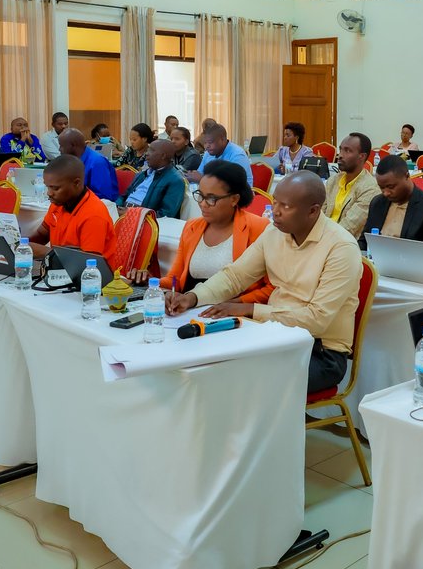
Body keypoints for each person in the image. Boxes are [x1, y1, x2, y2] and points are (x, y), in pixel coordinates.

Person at [166, 171, 361, 394]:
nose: (275, 212)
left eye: (285, 207)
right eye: (274, 202)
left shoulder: (341, 248)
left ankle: (250, 428)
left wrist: (250, 310)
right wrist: (193, 297)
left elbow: (317, 320)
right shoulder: (274, 232)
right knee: (202, 361)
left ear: (313, 211)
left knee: (236, 379)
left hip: (320, 351)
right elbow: (235, 276)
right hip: (271, 334)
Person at [158, 160, 273, 301]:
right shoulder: (192, 227)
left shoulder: (259, 228)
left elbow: (271, 288)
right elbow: (174, 279)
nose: (202, 204)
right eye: (200, 195)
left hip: (234, 313)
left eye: (211, 198)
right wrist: (150, 283)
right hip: (190, 307)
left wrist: (237, 304)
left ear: (234, 199)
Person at [27, 155, 117, 269]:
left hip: (94, 280)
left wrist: (46, 253)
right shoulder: (58, 203)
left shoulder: (93, 215)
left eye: (55, 188)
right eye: (47, 187)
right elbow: (42, 234)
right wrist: (21, 244)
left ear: (76, 183)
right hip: (62, 271)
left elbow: (88, 264)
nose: (49, 193)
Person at [361, 155, 423, 264]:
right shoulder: (378, 203)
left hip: (411, 271)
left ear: (407, 176)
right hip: (376, 266)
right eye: (381, 187)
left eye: (391, 187)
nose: (386, 193)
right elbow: (364, 242)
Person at [323, 133, 381, 239]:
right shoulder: (333, 181)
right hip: (323, 237)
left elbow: (349, 228)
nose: (340, 155)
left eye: (347, 150)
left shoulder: (370, 188)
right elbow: (320, 215)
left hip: (345, 244)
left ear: (362, 156)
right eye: (340, 150)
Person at [116, 139, 185, 218]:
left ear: (163, 156)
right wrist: (116, 207)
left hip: (142, 219)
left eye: (151, 150)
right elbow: (123, 196)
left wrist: (133, 214)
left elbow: (166, 214)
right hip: (123, 211)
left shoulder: (175, 180)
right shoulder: (142, 174)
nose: (146, 154)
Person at [57, 128, 119, 202]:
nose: (59, 149)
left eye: (61, 146)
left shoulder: (97, 162)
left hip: (99, 207)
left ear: (73, 145)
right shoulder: (72, 161)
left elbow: (103, 197)